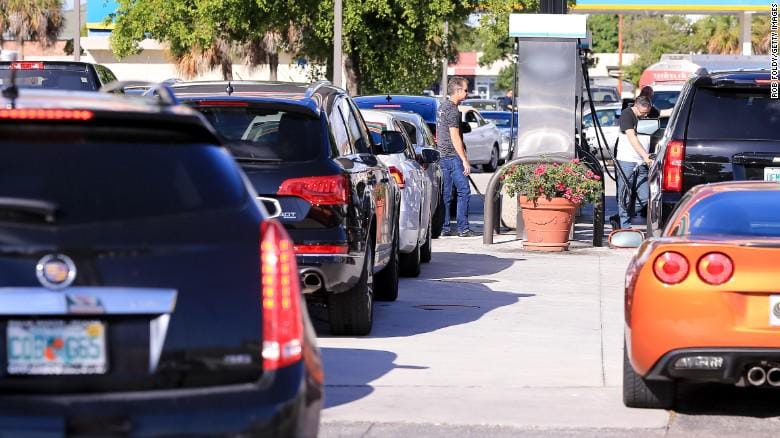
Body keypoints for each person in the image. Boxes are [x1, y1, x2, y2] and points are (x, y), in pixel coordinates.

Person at [437, 76, 476, 237]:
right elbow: (455, 137)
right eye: (466, 90)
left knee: (446, 194)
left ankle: (445, 228)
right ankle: (463, 228)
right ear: (458, 90)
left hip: (442, 155)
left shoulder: (442, 106)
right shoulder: (452, 110)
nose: (467, 93)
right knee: (464, 191)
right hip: (453, 157)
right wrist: (465, 160)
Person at [615, 95, 653, 230]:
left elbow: (666, 112)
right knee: (624, 194)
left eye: (647, 112)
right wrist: (645, 156)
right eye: (642, 113)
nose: (645, 115)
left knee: (645, 196)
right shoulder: (626, 115)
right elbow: (632, 137)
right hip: (627, 160)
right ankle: (625, 226)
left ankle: (620, 216)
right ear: (636, 106)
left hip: (642, 162)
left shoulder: (649, 112)